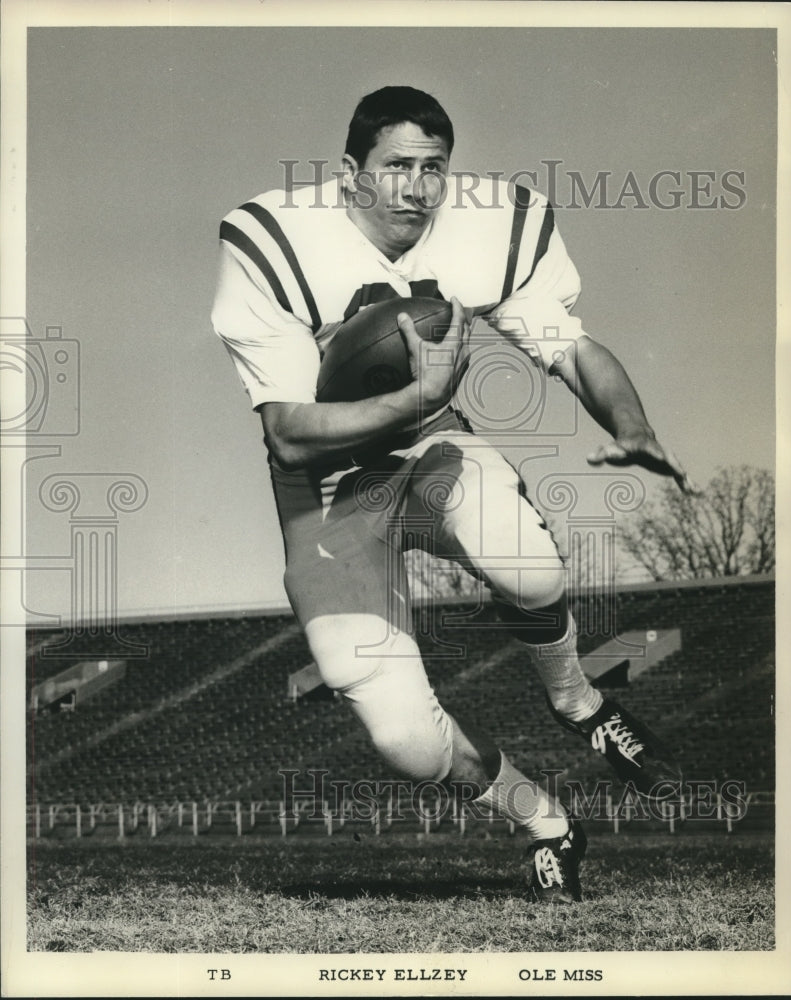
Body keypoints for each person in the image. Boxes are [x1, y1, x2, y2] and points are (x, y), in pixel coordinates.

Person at [211, 86, 694, 903]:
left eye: (433, 168)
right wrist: (410, 394)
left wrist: (630, 422)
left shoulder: (491, 226)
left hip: (428, 450)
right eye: (396, 167)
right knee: (404, 741)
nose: (417, 187)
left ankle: (579, 704)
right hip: (323, 488)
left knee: (531, 567)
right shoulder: (272, 239)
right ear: (349, 174)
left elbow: (570, 349)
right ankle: (544, 819)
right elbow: (289, 433)